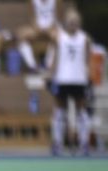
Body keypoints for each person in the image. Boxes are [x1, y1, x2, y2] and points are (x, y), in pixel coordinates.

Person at [48, 10, 92, 156]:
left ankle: (84, 143)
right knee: (60, 112)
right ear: (66, 22)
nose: (73, 23)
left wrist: (88, 74)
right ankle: (58, 143)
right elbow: (54, 58)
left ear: (79, 23)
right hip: (63, 79)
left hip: (79, 79)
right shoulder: (59, 37)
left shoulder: (84, 38)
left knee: (81, 111)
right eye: (70, 21)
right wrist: (51, 74)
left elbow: (88, 59)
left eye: (75, 21)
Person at [18, 0, 62, 72]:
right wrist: (37, 28)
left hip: (52, 28)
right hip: (37, 28)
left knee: (58, 37)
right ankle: (32, 66)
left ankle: (48, 64)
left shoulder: (57, 1)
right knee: (21, 35)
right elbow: (31, 18)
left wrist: (49, 28)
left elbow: (58, 19)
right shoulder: (32, 1)